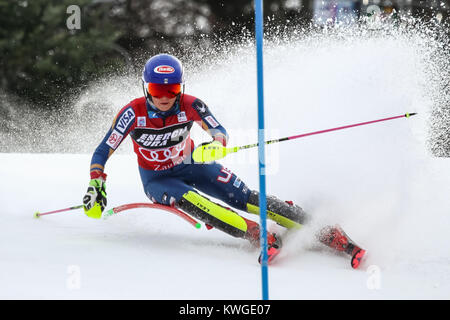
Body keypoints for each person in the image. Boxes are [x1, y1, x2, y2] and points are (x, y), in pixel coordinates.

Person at [82, 54, 366, 267]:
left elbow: (218, 129)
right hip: (158, 179)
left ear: (181, 88)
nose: (166, 97)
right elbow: (102, 150)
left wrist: (216, 145)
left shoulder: (192, 104)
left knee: (245, 197)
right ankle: (258, 234)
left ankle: (325, 230)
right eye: (157, 91)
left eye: (173, 90)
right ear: (146, 88)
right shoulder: (133, 113)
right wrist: (97, 180)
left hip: (193, 162)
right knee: (195, 202)